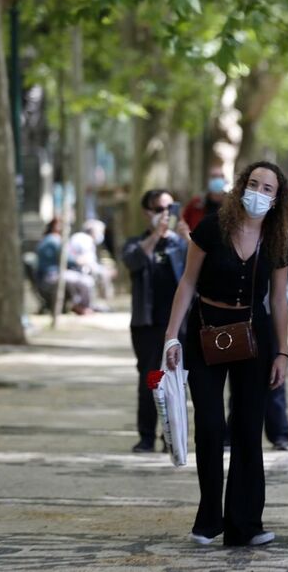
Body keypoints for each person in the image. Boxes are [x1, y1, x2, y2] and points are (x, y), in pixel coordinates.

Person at [163, 161, 288, 547]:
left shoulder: (277, 240)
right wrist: (171, 337)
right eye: (253, 184)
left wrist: (282, 352)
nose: (259, 192)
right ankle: (208, 519)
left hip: (256, 336)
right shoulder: (211, 227)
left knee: (249, 429)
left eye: (267, 188)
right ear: (241, 187)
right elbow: (186, 283)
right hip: (206, 331)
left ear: (277, 198)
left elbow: (281, 300)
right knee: (210, 425)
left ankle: (245, 524)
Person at [121, 190, 189, 453]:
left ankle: (171, 438)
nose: (165, 214)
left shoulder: (180, 244)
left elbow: (198, 271)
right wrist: (154, 236)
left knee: (175, 381)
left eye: (170, 208)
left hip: (176, 325)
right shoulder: (136, 243)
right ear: (146, 212)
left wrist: (188, 238)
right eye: (159, 208)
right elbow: (133, 262)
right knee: (150, 378)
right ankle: (147, 436)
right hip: (147, 325)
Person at [35, 218, 95, 315]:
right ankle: (81, 306)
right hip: (51, 276)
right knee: (85, 281)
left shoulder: (49, 239)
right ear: (56, 226)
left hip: (50, 275)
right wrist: (80, 260)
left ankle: (78, 304)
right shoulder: (53, 240)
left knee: (77, 278)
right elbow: (68, 259)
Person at [70, 218, 115, 307]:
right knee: (104, 274)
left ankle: (97, 303)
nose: (101, 235)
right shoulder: (86, 240)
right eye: (100, 232)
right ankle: (101, 304)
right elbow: (88, 262)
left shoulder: (80, 237)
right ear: (93, 231)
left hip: (77, 268)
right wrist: (104, 271)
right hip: (77, 269)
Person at [182, 162, 228, 230]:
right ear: (208, 180)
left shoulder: (231, 203)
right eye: (214, 176)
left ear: (225, 180)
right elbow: (183, 222)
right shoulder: (196, 203)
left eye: (220, 177)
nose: (217, 180)